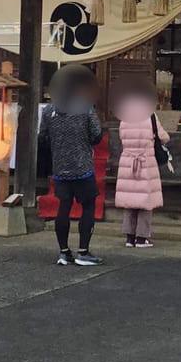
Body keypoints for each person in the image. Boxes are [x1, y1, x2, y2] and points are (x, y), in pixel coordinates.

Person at [40, 65, 104, 266]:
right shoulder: (84, 107)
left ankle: (63, 251)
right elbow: (96, 134)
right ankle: (83, 251)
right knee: (88, 206)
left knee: (63, 207)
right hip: (82, 166)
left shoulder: (49, 110)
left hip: (60, 167)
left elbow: (43, 137)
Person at [110, 77, 169, 248]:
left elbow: (122, 138)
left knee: (130, 199)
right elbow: (162, 136)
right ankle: (142, 238)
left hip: (128, 161)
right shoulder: (150, 116)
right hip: (145, 162)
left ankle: (129, 237)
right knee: (145, 201)